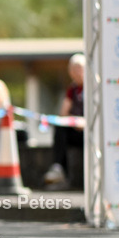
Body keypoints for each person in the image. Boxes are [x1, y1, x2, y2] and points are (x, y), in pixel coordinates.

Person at [44, 53, 85, 190]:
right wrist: (75, 121)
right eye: (72, 70)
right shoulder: (72, 89)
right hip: (76, 130)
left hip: (91, 130)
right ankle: (59, 169)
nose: (75, 74)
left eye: (78, 69)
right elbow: (63, 113)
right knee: (60, 128)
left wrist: (85, 123)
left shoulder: (93, 87)